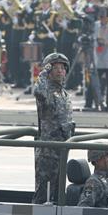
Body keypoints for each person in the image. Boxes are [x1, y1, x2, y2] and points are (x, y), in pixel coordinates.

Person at [33, 52, 74, 204]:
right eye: (55, 68)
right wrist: (43, 72)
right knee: (43, 195)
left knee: (58, 195)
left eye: (62, 68)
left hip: (61, 150)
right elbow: (38, 92)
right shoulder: (46, 91)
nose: (59, 71)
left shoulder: (64, 94)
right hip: (47, 153)